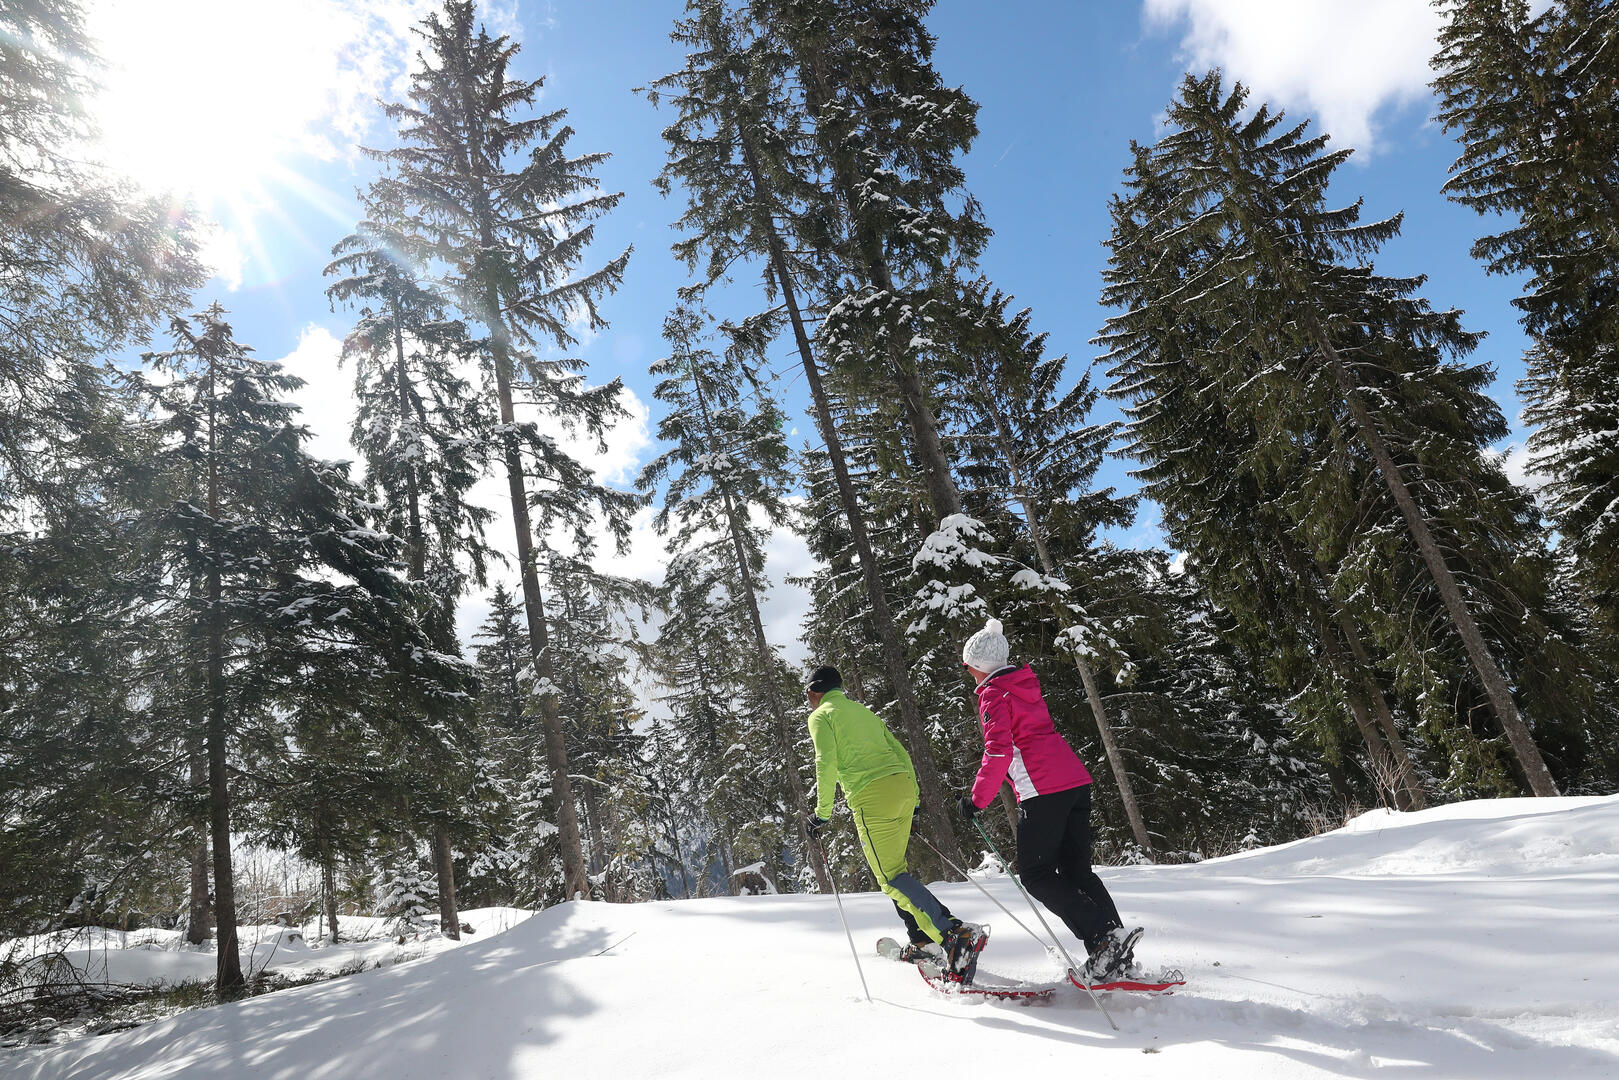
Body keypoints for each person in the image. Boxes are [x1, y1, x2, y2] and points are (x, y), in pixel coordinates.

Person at [955, 619, 1143, 982]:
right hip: (1074, 780)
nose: (969, 674)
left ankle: (1105, 943)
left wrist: (977, 801)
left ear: (980, 665)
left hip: (1043, 788)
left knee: (1037, 875)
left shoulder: (994, 693)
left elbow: (998, 752)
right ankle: (1114, 950)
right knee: (1076, 872)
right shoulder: (1024, 685)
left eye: (969, 667)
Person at [802, 665, 987, 981]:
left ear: (816, 691)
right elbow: (900, 753)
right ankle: (922, 940)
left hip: (871, 796)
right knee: (897, 872)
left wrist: (822, 814)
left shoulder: (821, 716)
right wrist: (913, 800)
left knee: (889, 878)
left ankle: (953, 934)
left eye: (808, 694)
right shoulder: (862, 711)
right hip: (901, 787)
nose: (808, 701)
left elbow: (826, 762)